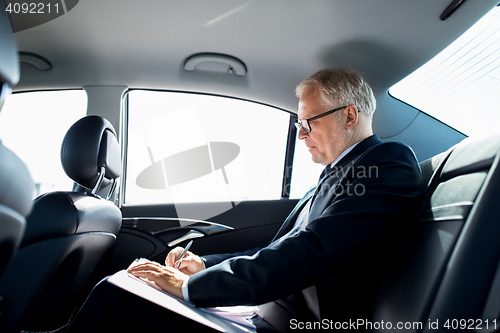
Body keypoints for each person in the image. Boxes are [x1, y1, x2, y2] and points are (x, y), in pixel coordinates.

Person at [66, 67, 422, 332]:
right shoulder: (334, 175)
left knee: (118, 295)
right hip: (266, 312)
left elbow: (314, 250)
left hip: (289, 325)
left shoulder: (386, 162)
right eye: (299, 124)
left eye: (308, 123)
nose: (301, 135)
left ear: (348, 115)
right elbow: (278, 247)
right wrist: (205, 267)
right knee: (128, 284)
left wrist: (191, 287)